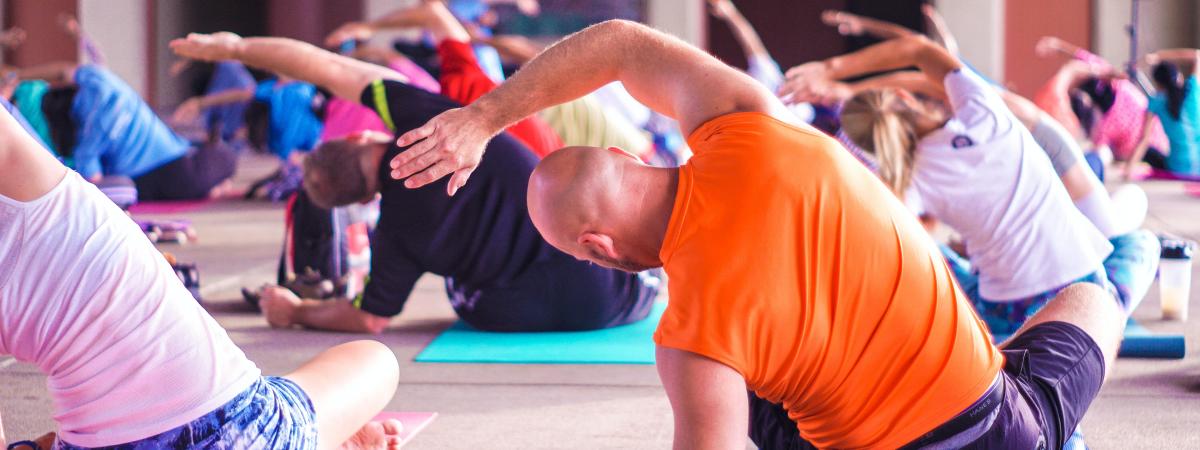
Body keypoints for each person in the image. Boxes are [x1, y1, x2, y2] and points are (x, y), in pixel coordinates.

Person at [381, 19, 1130, 448]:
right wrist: (483, 119)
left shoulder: (691, 342)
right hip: (1001, 426)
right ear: (628, 155)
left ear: (596, 251)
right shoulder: (753, 128)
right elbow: (616, 43)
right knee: (1093, 300)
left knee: (751, 405)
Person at [171, 32, 659, 334]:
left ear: (362, 200)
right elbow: (329, 67)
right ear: (363, 134)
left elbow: (368, 318)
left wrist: (296, 311)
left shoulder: (394, 238)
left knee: (459, 291)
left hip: (521, 316)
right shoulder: (421, 119)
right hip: (616, 288)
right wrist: (235, 48)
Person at [0, 105, 406, 449]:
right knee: (377, 361)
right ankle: (315, 425)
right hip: (237, 430)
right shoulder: (30, 183)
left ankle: (313, 424)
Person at [324, 1, 563, 158]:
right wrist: (367, 27)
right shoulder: (468, 85)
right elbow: (433, 13)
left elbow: (432, 13)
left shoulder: (466, 89)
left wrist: (367, 27)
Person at [10, 62, 237, 201]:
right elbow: (63, 70)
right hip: (171, 160)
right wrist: (19, 75)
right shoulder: (100, 80)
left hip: (162, 169)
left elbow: (92, 186)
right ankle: (211, 182)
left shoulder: (88, 143)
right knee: (226, 157)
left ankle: (209, 183)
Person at [1037, 37, 1171, 177]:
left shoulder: (1106, 125)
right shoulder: (1122, 87)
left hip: (1142, 153)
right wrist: (1059, 45)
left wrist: (1061, 52)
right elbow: (1086, 57)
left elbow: (1095, 152)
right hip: (1159, 145)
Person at [1135, 49, 1200, 178]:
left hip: (1176, 168)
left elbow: (1144, 139)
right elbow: (1197, 55)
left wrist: (1128, 169)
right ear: (1178, 76)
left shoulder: (1155, 102)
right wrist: (1158, 56)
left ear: (1158, 84)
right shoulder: (1192, 88)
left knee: (1149, 153)